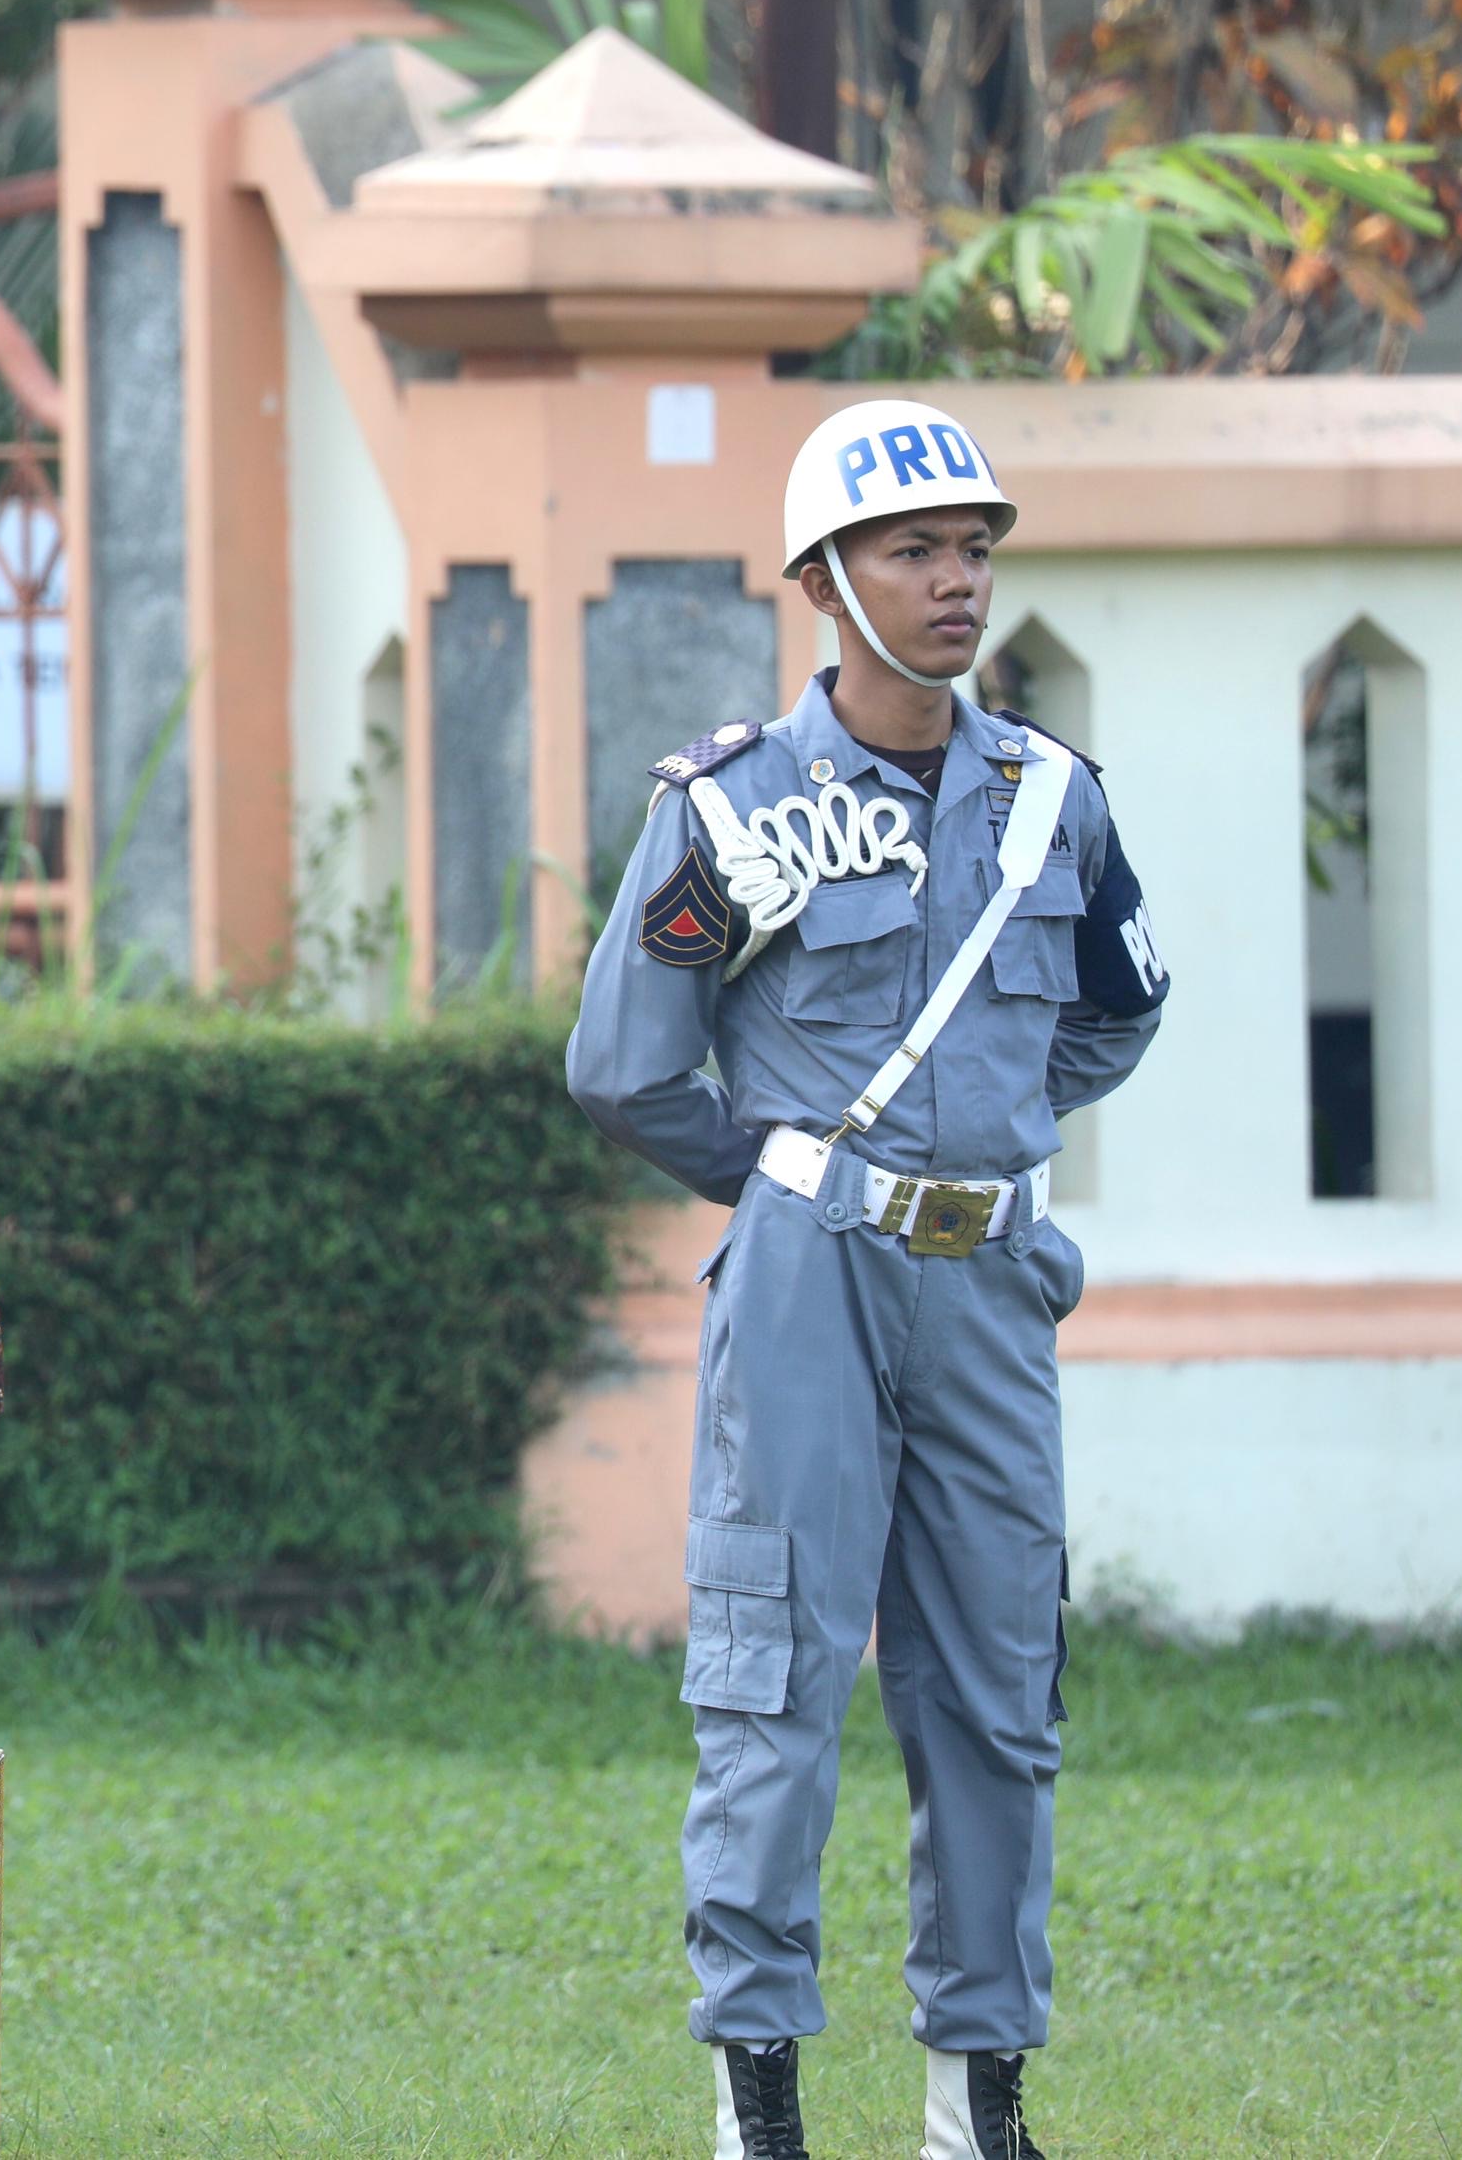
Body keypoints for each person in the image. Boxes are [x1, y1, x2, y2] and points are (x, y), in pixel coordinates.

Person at [567, 400, 1171, 2160]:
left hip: (990, 1281)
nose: (956, 578)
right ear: (825, 580)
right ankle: (760, 2103)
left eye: (975, 546)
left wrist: (978, 1134)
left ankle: (976, 2105)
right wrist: (786, 1182)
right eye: (915, 549)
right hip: (811, 1276)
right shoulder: (734, 804)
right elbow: (625, 1058)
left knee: (999, 1683)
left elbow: (1119, 1005)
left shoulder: (1056, 797)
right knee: (776, 1676)